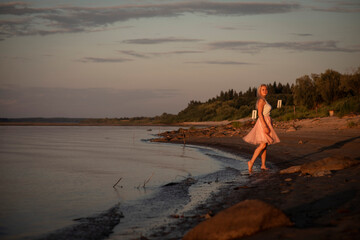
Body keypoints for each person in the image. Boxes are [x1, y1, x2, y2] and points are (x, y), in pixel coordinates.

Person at [243, 84, 280, 173]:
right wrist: (265, 126)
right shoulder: (261, 100)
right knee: (263, 145)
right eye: (263, 89)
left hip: (267, 121)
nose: (265, 91)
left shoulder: (264, 100)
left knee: (265, 145)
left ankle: (263, 165)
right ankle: (251, 162)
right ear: (260, 91)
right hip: (263, 123)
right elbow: (260, 114)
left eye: (266, 89)